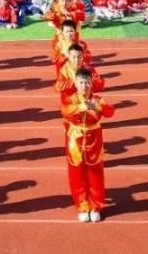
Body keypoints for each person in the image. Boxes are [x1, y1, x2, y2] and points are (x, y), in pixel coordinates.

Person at [61, 68, 115, 223]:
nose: (84, 86)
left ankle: (96, 206)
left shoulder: (97, 99)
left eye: (87, 82)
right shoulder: (71, 99)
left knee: (95, 174)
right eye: (81, 83)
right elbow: (64, 110)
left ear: (92, 84)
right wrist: (79, 108)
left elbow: (110, 111)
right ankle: (82, 205)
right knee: (77, 175)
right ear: (76, 84)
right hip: (75, 141)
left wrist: (96, 107)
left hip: (94, 140)